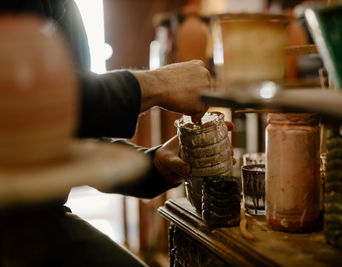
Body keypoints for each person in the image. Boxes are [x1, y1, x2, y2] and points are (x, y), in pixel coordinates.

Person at [0, 1, 228, 266]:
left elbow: (69, 134)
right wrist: (155, 84)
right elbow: (23, 106)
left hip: (39, 219)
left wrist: (152, 164)